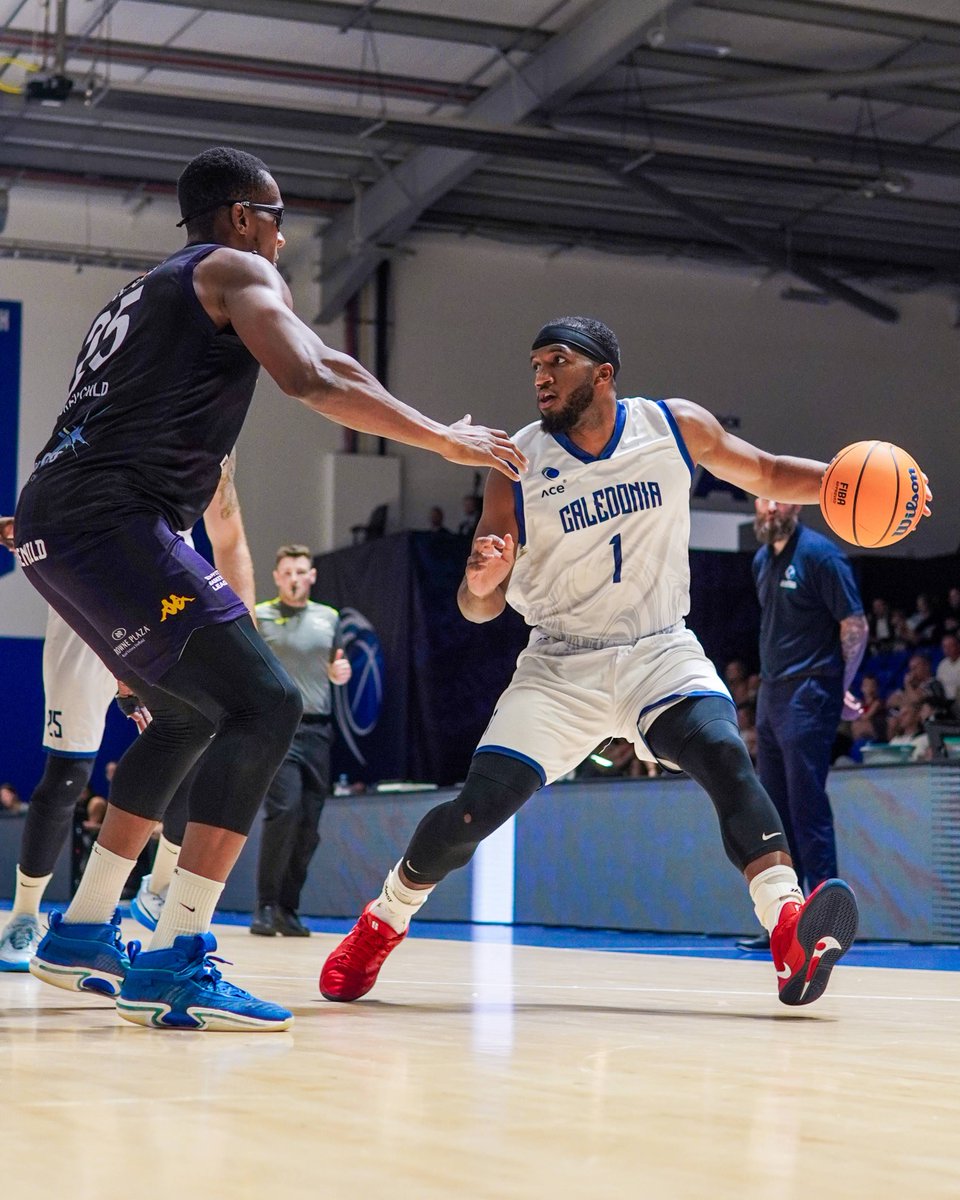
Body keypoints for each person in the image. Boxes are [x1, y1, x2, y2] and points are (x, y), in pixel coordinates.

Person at [17, 145, 525, 1033]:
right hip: (114, 516)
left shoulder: (150, 292)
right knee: (266, 705)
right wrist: (442, 446)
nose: (285, 236)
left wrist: (433, 425)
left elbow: (331, 362)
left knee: (185, 714)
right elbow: (311, 379)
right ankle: (176, 955)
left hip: (53, 523)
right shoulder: (236, 268)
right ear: (244, 216)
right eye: (278, 215)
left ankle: (85, 928)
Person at [320, 315, 928, 1009]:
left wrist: (860, 487)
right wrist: (480, 583)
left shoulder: (672, 427)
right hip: (560, 665)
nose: (541, 377)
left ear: (603, 373)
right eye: (534, 366)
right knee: (475, 811)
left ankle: (788, 927)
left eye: (556, 361)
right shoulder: (512, 460)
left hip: (657, 649)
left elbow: (763, 471)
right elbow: (477, 607)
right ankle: (383, 919)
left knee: (727, 758)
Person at [0, 453, 254, 970]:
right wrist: (126, 675)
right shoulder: (116, 422)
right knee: (69, 773)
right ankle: (25, 916)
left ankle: (158, 886)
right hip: (86, 600)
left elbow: (229, 542)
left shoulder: (208, 443)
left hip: (168, 601)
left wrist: (247, 638)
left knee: (201, 734)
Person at [735, 499, 869, 953]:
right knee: (773, 812)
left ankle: (827, 924)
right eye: (762, 499)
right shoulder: (761, 559)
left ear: (794, 504)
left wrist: (845, 685)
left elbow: (855, 624)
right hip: (773, 692)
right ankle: (784, 919)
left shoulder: (820, 555)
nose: (770, 507)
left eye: (778, 499)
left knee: (806, 804)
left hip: (812, 689)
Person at [249, 544, 351, 937]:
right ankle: (265, 905)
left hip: (318, 730)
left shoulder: (330, 618)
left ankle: (287, 908)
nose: (294, 578)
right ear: (277, 578)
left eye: (301, 571)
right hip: (279, 728)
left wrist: (340, 673)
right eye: (287, 572)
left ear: (312, 576)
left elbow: (335, 667)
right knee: (285, 810)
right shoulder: (260, 615)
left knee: (310, 824)